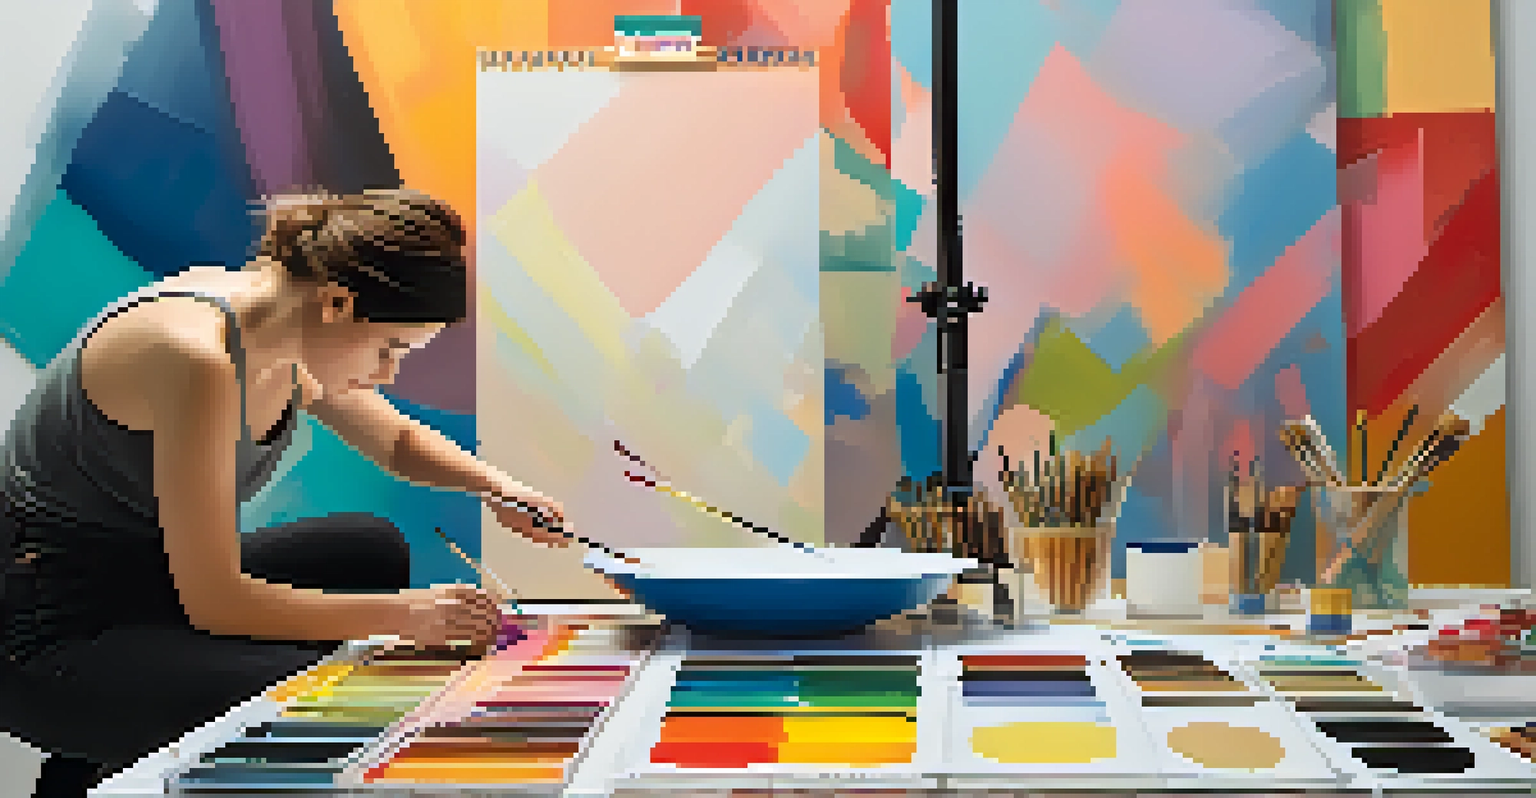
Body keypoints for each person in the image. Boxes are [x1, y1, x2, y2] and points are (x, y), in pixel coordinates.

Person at [0, 188, 569, 796]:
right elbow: (215, 602)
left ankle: (104, 750)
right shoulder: (195, 359)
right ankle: (95, 757)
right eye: (389, 349)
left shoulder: (281, 327)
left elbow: (395, 441)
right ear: (337, 303)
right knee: (317, 701)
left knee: (367, 549)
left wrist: (499, 489)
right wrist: (406, 616)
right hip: (48, 626)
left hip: (145, 578)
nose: (387, 373)